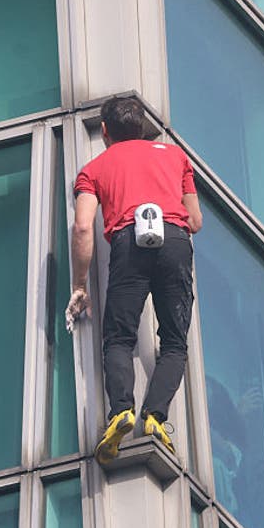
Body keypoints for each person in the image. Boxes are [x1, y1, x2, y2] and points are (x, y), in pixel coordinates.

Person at [65, 96, 202, 464]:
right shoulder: (176, 158)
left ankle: (121, 411)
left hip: (129, 243)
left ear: (105, 131)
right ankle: (155, 417)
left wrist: (80, 285)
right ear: (142, 127)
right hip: (174, 240)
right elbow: (195, 221)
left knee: (119, 337)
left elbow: (82, 227)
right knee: (174, 342)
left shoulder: (92, 169)